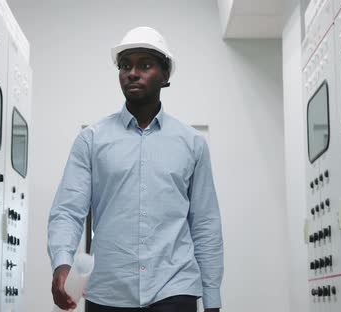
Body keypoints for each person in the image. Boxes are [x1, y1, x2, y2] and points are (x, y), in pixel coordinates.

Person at [48, 26, 224, 312]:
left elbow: (205, 223)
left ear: (165, 75)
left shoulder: (192, 144)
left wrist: (212, 297)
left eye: (145, 65)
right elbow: (68, 211)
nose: (132, 72)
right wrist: (61, 262)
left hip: (174, 289)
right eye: (125, 65)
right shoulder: (92, 140)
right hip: (108, 292)